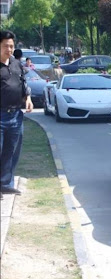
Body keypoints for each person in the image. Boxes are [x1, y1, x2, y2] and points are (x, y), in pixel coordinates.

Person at [0, 30, 34, 200]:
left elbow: (24, 84)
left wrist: (28, 99)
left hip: (15, 115)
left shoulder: (17, 64)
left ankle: (5, 184)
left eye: (11, 46)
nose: (9, 49)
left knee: (11, 151)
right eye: (6, 46)